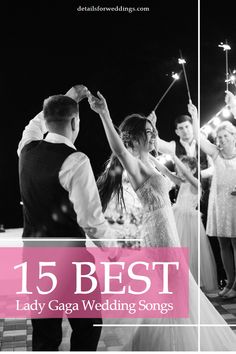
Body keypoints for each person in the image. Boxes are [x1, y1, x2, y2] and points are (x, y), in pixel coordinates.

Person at [88, 91, 236, 351]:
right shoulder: (134, 163)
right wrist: (104, 114)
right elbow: (119, 150)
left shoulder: (151, 159)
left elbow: (171, 170)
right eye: (147, 131)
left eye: (152, 130)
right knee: (174, 289)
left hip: (166, 228)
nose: (152, 134)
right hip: (158, 234)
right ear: (134, 136)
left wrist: (154, 128)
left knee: (174, 289)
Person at [17, 85, 119, 351]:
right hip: (71, 262)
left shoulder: (25, 150)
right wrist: (116, 252)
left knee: (44, 333)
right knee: (87, 327)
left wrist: (69, 97)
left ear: (47, 120)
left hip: (34, 258)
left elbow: (34, 124)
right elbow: (91, 221)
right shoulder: (76, 160)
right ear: (76, 121)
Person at [192, 98, 236, 299]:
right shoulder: (216, 154)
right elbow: (199, 139)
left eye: (225, 136)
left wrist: (233, 106)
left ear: (233, 136)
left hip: (235, 205)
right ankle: (229, 282)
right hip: (219, 205)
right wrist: (194, 117)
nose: (221, 140)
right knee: (223, 244)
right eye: (219, 138)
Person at [170, 154, 217, 291]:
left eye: (184, 169)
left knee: (189, 250)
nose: (180, 172)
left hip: (189, 221)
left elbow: (187, 176)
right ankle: (178, 280)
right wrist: (152, 159)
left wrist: (173, 155)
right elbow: (166, 172)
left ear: (193, 170)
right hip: (178, 217)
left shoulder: (196, 183)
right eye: (179, 169)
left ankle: (192, 282)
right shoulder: (182, 183)